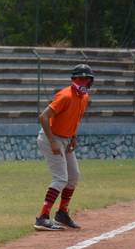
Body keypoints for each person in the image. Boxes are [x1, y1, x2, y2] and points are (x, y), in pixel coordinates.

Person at [34, 64, 94, 231]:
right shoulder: (66, 95)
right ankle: (43, 217)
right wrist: (53, 141)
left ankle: (62, 213)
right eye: (81, 78)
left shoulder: (84, 97)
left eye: (87, 79)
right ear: (74, 79)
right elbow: (44, 117)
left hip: (66, 139)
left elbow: (75, 118)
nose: (84, 81)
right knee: (61, 178)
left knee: (73, 176)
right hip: (50, 138)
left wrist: (73, 136)